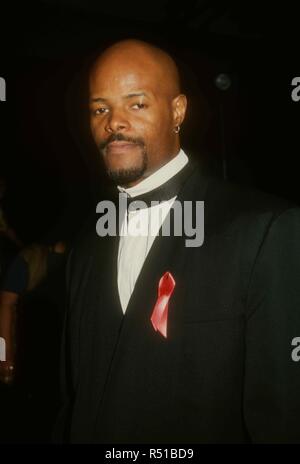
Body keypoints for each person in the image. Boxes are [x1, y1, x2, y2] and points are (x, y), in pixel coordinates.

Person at [55, 39, 300, 444]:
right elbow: (73, 401)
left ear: (177, 111)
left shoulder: (265, 231)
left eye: (136, 104)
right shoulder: (85, 248)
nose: (113, 123)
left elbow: (283, 417)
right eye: (100, 109)